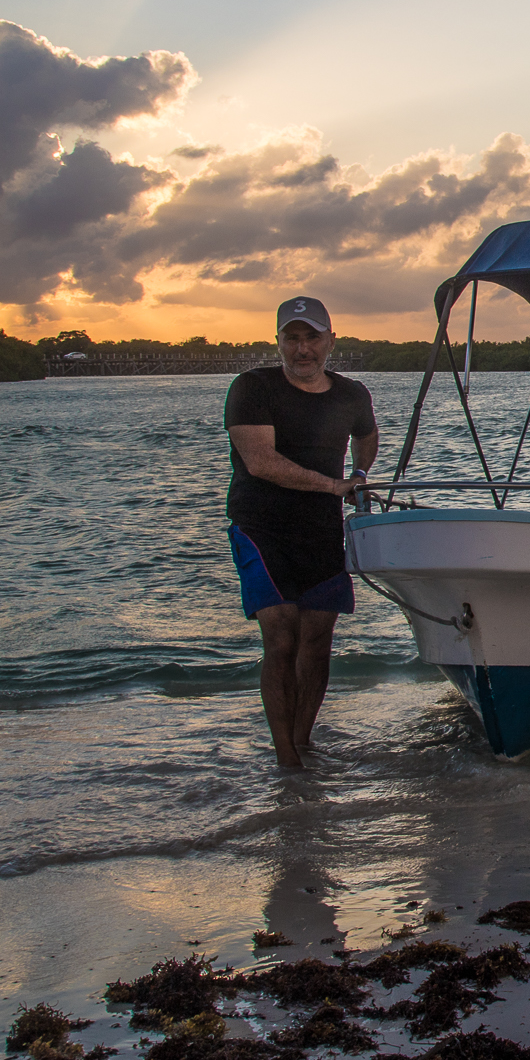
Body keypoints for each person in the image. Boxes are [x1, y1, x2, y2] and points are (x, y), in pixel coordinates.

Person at [224, 296, 378, 769]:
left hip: (320, 530)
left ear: (331, 339)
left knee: (317, 637)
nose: (303, 349)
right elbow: (260, 461)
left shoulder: (352, 393)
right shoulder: (252, 388)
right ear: (278, 342)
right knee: (281, 635)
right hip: (261, 528)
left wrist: (358, 474)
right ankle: (286, 757)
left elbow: (366, 435)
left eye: (312, 337)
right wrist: (335, 485)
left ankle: (304, 740)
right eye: (292, 338)